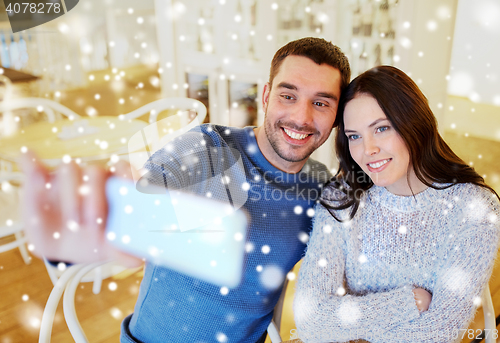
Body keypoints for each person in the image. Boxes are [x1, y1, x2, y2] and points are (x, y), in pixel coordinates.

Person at [21, 37, 351, 342]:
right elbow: (141, 199)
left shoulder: (321, 190)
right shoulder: (206, 148)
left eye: (321, 103)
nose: (301, 116)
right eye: (288, 95)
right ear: (266, 96)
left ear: (337, 116)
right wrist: (102, 223)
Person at [293, 65, 500, 343]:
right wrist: (407, 304)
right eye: (354, 136)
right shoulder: (341, 198)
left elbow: (439, 333)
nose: (368, 150)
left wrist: (348, 323)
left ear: (413, 123)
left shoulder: (475, 208)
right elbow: (309, 320)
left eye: (381, 128)